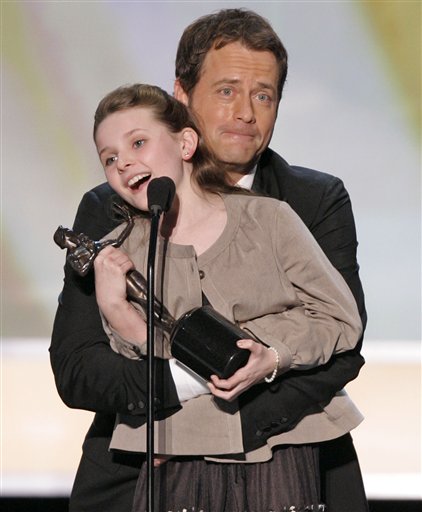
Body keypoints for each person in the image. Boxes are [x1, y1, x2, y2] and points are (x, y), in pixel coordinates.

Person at [50, 8, 368, 512]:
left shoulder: (311, 200)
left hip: (288, 458)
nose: (246, 112)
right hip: (147, 466)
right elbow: (79, 368)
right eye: (226, 90)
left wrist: (223, 428)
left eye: (263, 95)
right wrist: (178, 410)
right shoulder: (108, 210)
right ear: (182, 97)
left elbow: (342, 344)